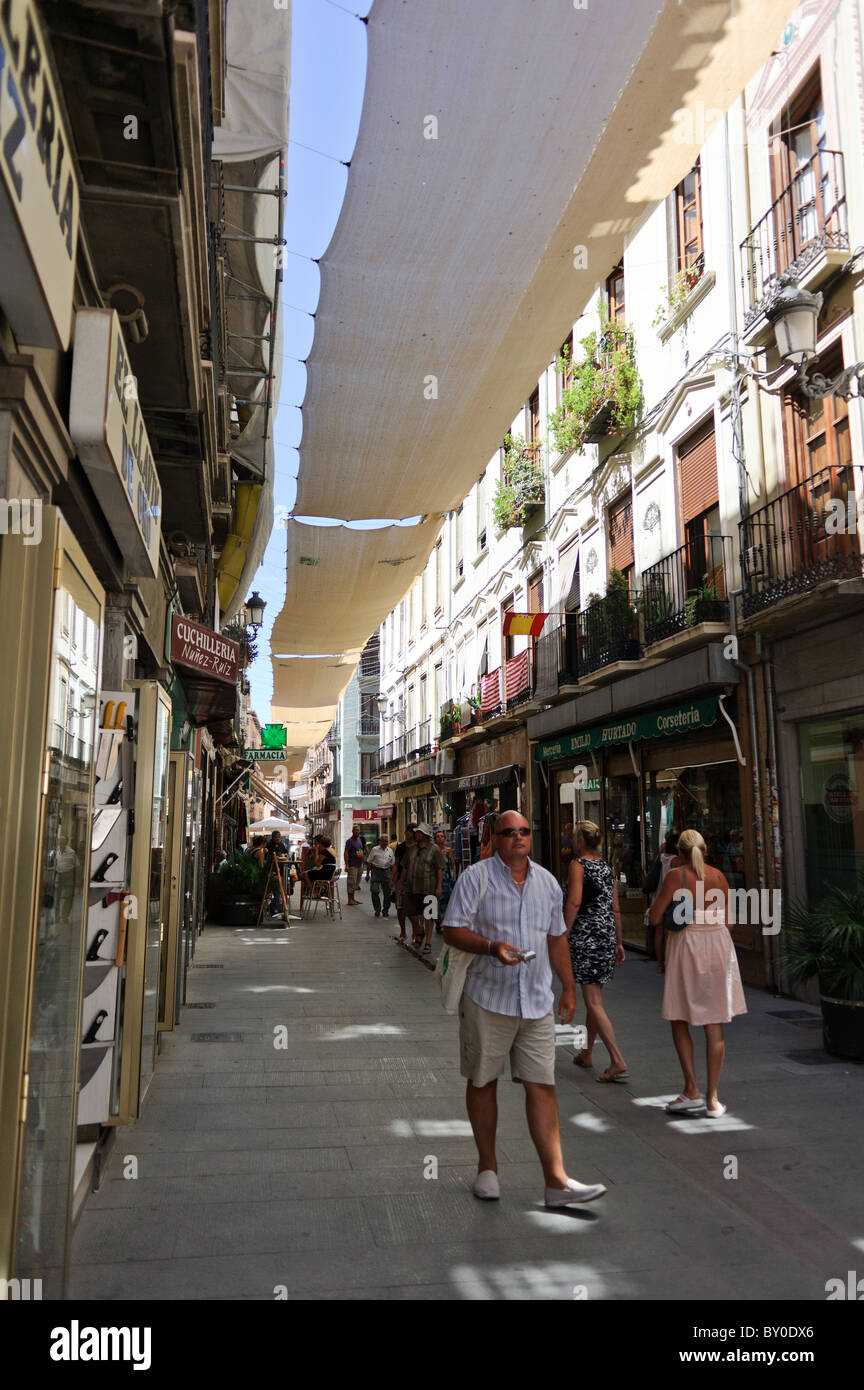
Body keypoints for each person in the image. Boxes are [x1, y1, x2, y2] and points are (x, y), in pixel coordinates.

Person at [442, 811, 607, 1208]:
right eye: (508, 832)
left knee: (542, 1085)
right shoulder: (476, 878)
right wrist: (491, 947)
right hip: (487, 998)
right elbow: (451, 929)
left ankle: (556, 1181)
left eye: (524, 832)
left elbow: (556, 938)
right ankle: (488, 1168)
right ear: (495, 839)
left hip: (535, 1001)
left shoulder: (547, 882)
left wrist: (568, 987)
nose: (517, 837)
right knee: (483, 1081)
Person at [649, 828, 747, 1118]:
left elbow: (656, 917)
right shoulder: (718, 877)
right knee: (714, 1021)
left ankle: (691, 1089)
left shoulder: (675, 877)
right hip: (718, 946)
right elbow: (729, 922)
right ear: (705, 850)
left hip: (688, 946)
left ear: (679, 853)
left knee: (680, 1016)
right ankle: (713, 1099)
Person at [564, 821, 628, 1083]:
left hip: (586, 936)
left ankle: (616, 1059)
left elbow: (575, 900)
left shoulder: (578, 865)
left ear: (580, 841)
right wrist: (619, 941)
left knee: (593, 1001)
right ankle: (587, 1052)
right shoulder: (606, 867)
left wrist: (563, 932)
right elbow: (615, 908)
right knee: (594, 996)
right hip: (605, 935)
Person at [398, 824, 444, 953]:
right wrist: (401, 882)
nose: (416, 834)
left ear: (425, 835)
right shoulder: (411, 849)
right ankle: (419, 930)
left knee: (429, 916)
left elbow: (439, 869)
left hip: (429, 887)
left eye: (419, 833)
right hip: (412, 887)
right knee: (410, 911)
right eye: (416, 832)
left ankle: (428, 943)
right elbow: (405, 866)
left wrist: (439, 886)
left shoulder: (434, 850)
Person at [389, 824, 416, 941]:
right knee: (400, 907)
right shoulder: (400, 847)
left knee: (413, 909)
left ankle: (416, 932)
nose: (409, 833)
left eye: (411, 831)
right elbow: (396, 864)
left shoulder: (418, 847)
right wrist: (393, 878)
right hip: (401, 880)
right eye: (408, 831)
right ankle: (403, 932)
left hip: (415, 880)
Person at [366, 834, 395, 917]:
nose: (385, 843)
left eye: (386, 841)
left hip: (386, 872)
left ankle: (385, 910)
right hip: (376, 871)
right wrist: (367, 874)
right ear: (380, 841)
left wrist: (392, 878)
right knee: (374, 890)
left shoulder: (390, 851)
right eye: (383, 841)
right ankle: (377, 909)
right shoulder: (374, 850)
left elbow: (393, 865)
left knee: (387, 893)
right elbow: (369, 862)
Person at [434, 829, 457, 930]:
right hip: (435, 880)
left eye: (442, 836)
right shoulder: (433, 851)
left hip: (447, 880)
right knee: (437, 902)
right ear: (435, 839)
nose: (440, 838)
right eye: (438, 836)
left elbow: (453, 865)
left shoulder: (448, 851)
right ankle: (438, 921)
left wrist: (454, 877)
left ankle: (444, 922)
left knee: (447, 901)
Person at [303, 835, 337, 901]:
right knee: (306, 875)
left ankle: (314, 893)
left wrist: (316, 851)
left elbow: (317, 864)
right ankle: (320, 888)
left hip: (326, 874)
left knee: (305, 875)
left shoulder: (324, 852)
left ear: (321, 844)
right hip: (330, 873)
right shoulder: (331, 850)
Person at [344, 827, 365, 906]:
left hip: (359, 864)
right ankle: (350, 900)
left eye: (358, 830)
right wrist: (346, 864)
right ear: (352, 831)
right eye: (356, 830)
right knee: (351, 883)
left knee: (356, 883)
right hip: (352, 865)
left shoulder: (359, 840)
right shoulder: (349, 841)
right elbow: (346, 852)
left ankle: (353, 899)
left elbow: (360, 850)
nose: (357, 832)